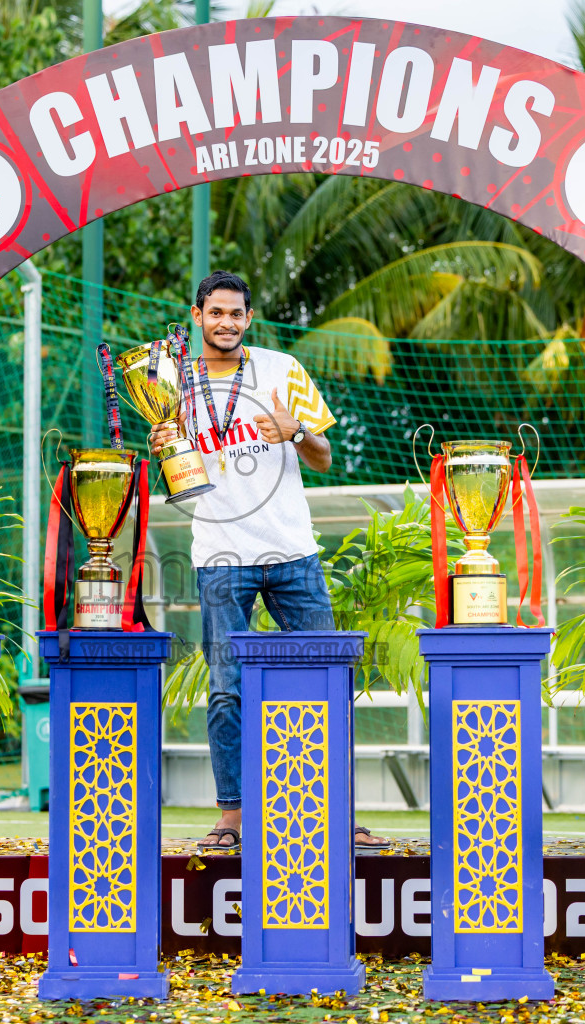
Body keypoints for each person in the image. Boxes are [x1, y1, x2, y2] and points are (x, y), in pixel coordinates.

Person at [149, 270, 388, 852]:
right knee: (228, 689)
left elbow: (326, 457)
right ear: (197, 314)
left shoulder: (283, 369)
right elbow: (180, 480)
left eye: (236, 314)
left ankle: (339, 812)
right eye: (215, 313)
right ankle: (231, 817)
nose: (226, 323)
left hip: (293, 551)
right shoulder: (171, 382)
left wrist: (296, 430)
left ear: (248, 319)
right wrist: (166, 449)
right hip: (219, 556)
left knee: (328, 681)